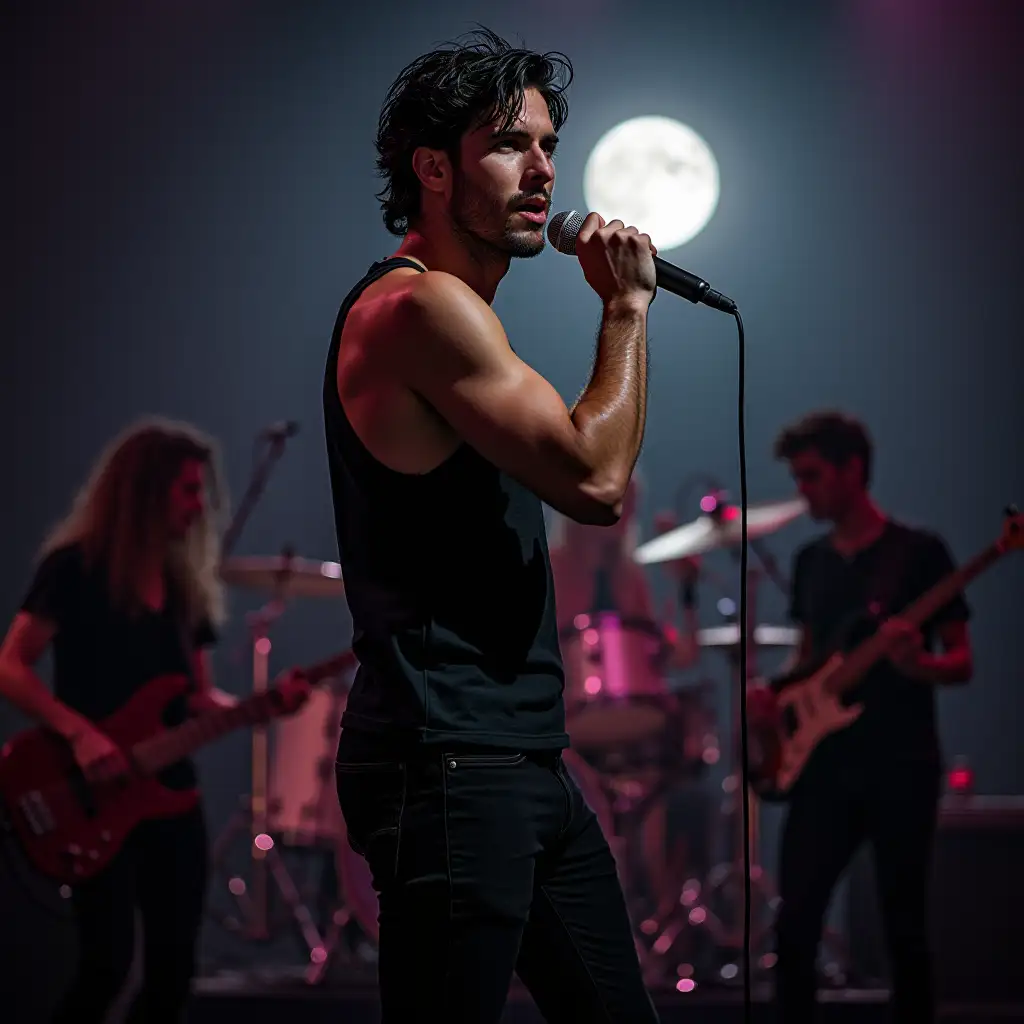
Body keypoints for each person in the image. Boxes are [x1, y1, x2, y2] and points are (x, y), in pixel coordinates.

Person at [323, 27, 669, 1024]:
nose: (545, 170)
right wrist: (625, 312)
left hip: (516, 757)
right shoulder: (416, 311)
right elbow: (596, 482)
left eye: (549, 145)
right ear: (434, 167)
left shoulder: (460, 315)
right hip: (447, 762)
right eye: (510, 143)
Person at [0, 418, 309, 1024]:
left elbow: (197, 700)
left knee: (172, 977)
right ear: (143, 493)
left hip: (169, 799)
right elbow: (11, 667)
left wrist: (266, 705)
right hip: (90, 794)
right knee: (104, 968)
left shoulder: (182, 587)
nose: (200, 507)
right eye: (188, 491)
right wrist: (81, 734)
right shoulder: (73, 570)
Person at [766, 410, 973, 1024]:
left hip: (901, 764)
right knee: (794, 925)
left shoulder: (921, 553)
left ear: (853, 470)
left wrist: (920, 666)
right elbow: (808, 661)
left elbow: (961, 661)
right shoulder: (811, 562)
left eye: (812, 476)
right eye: (798, 477)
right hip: (825, 769)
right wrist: (774, 701)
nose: (802, 491)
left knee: (903, 929)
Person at [548, 478, 704, 916]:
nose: (623, 517)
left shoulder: (629, 576)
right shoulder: (554, 567)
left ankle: (651, 914)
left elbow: (676, 658)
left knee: (655, 789)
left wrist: (686, 591)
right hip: (563, 721)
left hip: (626, 724)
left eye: (629, 506)